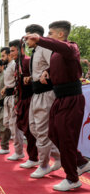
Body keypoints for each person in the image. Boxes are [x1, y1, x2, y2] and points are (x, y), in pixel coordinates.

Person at [26, 20, 90, 191]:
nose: (48, 36)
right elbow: (56, 66)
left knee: (66, 138)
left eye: (51, 34)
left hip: (71, 99)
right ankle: (81, 162)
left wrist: (39, 39)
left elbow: (65, 50)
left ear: (61, 34)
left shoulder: (71, 47)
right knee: (53, 133)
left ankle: (72, 178)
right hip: (59, 99)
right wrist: (48, 72)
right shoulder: (55, 54)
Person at [25, 24, 61, 179]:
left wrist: (47, 73)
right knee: (34, 128)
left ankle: (44, 164)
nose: (26, 40)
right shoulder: (36, 51)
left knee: (41, 131)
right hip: (36, 94)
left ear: (36, 36)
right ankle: (59, 156)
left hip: (46, 93)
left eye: (28, 37)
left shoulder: (45, 48)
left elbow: (55, 66)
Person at [8, 39, 39, 165]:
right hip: (21, 99)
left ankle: (34, 158)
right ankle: (33, 157)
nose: (11, 54)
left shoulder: (27, 61)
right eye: (10, 51)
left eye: (12, 51)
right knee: (25, 129)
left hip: (29, 99)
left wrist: (30, 80)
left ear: (21, 49)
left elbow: (36, 78)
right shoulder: (17, 63)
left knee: (31, 131)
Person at [2, 42, 25, 161]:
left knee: (14, 125)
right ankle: (18, 146)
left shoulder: (15, 65)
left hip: (13, 98)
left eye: (3, 56)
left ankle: (19, 151)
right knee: (7, 123)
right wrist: (5, 88)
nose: (2, 58)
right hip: (7, 97)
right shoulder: (8, 66)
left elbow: (17, 80)